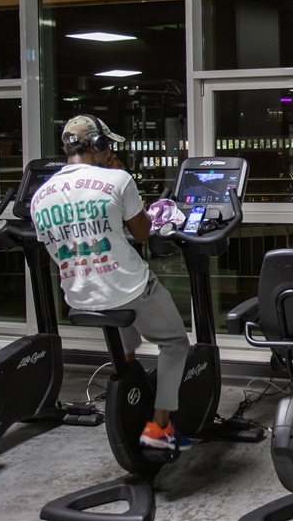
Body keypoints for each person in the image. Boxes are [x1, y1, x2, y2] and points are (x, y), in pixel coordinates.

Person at [31, 114, 191, 451]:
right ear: (98, 145)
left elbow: (58, 251)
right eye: (108, 145)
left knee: (127, 343)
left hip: (80, 296)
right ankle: (160, 427)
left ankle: (132, 389)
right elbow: (143, 232)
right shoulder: (118, 180)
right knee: (175, 343)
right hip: (129, 287)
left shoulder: (40, 197)